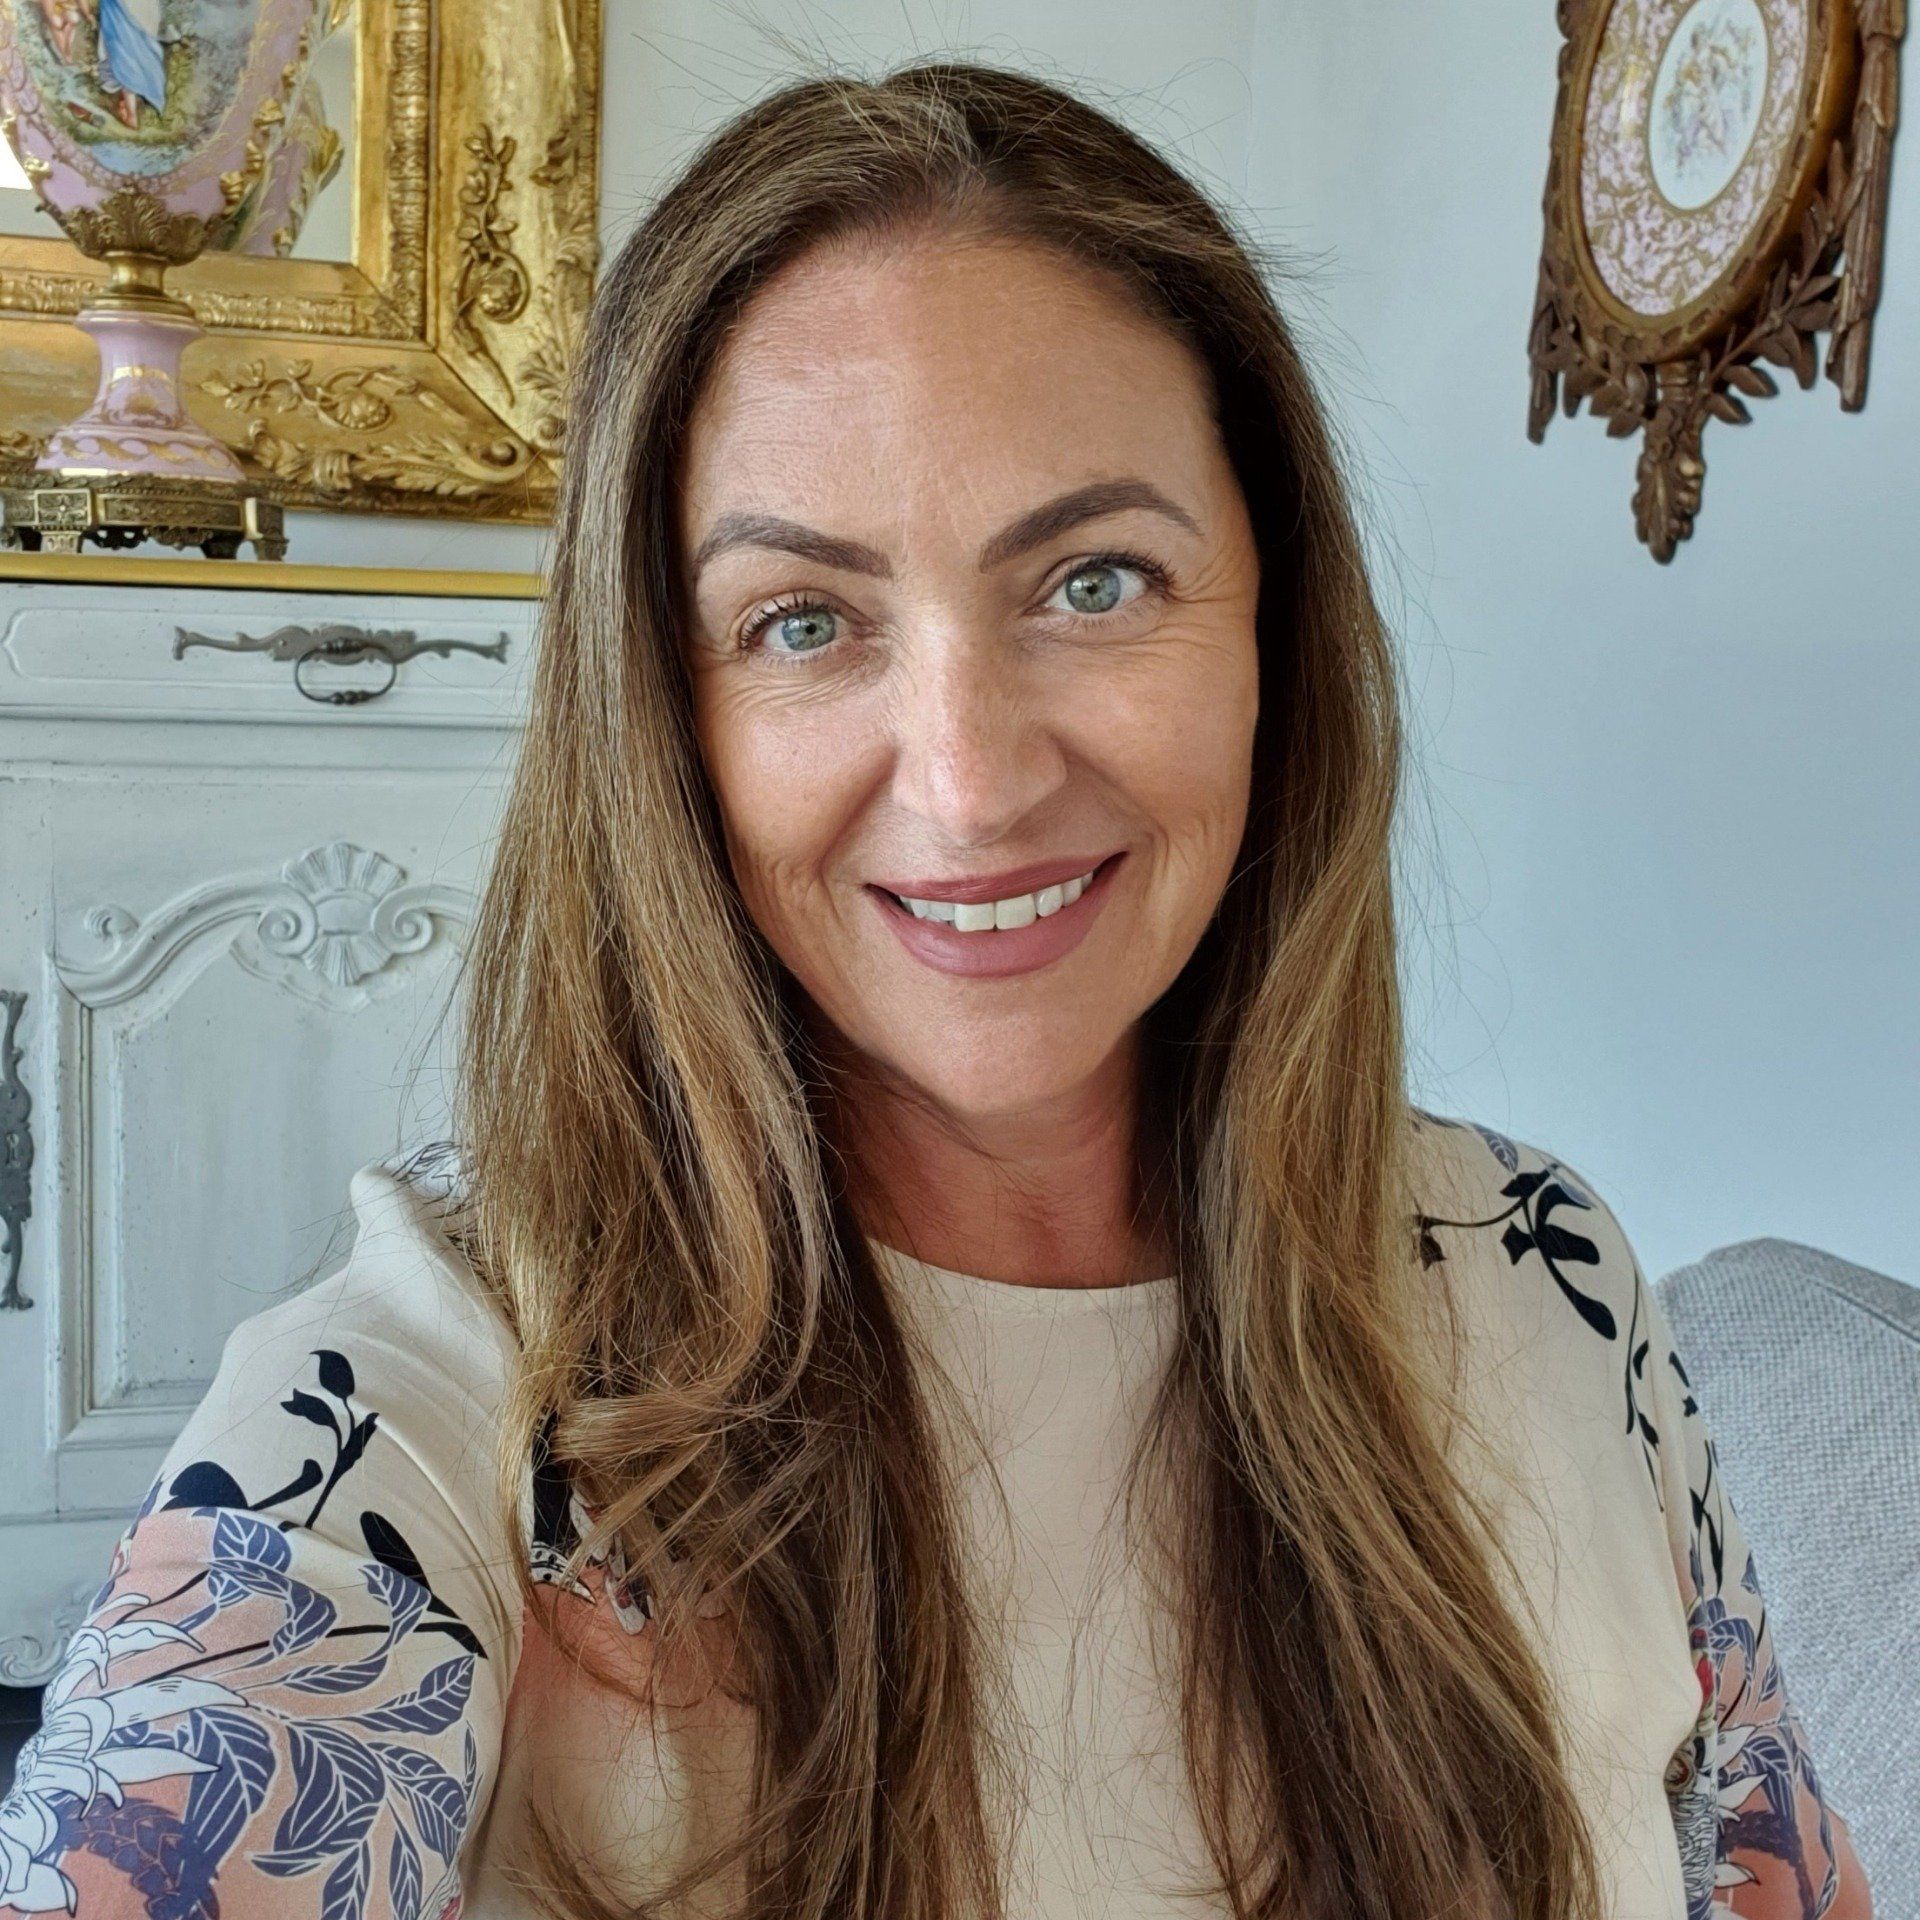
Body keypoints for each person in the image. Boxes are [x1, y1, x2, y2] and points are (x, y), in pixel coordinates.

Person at [0, 59, 1872, 1920]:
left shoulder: (1552, 1276)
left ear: (1275, 635)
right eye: (802, 622)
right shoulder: (420, 1408)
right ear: (665, 717)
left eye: (1096, 582)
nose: (971, 783)